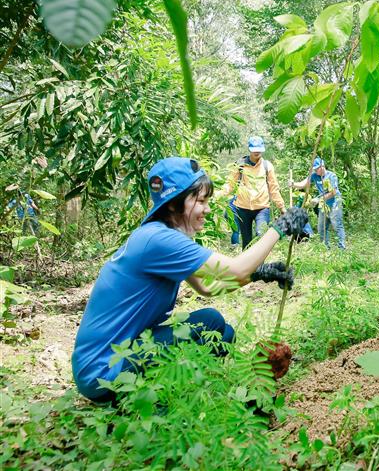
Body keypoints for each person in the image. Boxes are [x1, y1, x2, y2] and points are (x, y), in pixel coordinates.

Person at [71, 157, 309, 403]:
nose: (207, 209)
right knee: (211, 321)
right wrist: (279, 228)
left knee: (223, 335)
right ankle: (151, 401)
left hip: (112, 361)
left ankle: (179, 394)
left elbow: (207, 288)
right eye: (201, 201)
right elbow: (235, 270)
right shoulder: (159, 240)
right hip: (102, 370)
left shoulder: (160, 236)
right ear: (174, 205)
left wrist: (258, 274)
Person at [221, 136, 287, 249]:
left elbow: (273, 189)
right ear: (249, 149)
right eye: (254, 149)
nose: (257, 152)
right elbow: (230, 184)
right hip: (242, 208)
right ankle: (248, 266)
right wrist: (216, 195)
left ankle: (260, 265)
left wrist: (282, 207)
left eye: (259, 149)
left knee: (261, 235)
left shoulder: (267, 166)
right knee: (246, 241)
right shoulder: (240, 164)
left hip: (262, 208)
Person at [293, 158, 345, 250]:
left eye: (317, 169)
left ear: (322, 166)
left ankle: (342, 248)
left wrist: (318, 199)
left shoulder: (331, 176)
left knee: (337, 225)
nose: (316, 171)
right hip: (323, 204)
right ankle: (325, 247)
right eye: (315, 169)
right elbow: (303, 184)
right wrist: (293, 184)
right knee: (321, 227)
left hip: (335, 203)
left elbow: (333, 192)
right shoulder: (314, 176)